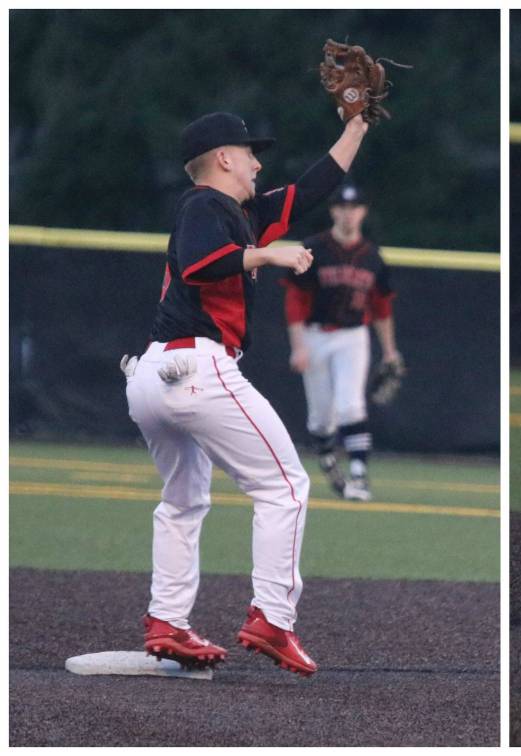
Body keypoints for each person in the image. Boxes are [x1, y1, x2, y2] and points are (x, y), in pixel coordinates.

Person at [122, 109, 369, 676]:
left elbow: (312, 188)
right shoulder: (204, 204)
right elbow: (200, 265)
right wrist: (269, 254)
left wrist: (355, 127)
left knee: (183, 501)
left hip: (154, 376)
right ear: (224, 159)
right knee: (285, 486)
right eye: (249, 152)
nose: (259, 162)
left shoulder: (241, 212)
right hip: (196, 368)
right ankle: (274, 619)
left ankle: (167, 622)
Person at [283, 183, 401, 502]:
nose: (348, 213)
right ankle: (326, 456)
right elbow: (295, 299)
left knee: (351, 405)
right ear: (333, 210)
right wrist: (299, 346)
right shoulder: (313, 248)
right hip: (315, 334)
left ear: (363, 211)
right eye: (342, 207)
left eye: (355, 207)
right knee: (322, 419)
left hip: (353, 336)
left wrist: (389, 351)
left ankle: (360, 476)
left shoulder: (373, 256)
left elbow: (381, 307)